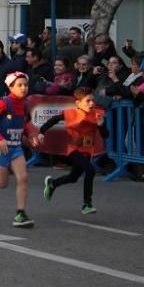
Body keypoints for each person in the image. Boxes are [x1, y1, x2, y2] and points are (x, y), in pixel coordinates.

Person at [0, 72, 38, 227]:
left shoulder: (25, 104)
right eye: (19, 85)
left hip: (16, 147)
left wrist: (31, 135)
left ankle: (20, 213)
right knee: (2, 184)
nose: (24, 88)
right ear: (11, 87)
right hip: (1, 147)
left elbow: (25, 124)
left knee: (23, 177)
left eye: (25, 85)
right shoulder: (5, 103)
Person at [41, 87, 108, 215]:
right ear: (78, 103)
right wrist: (42, 132)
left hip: (87, 150)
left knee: (73, 177)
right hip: (73, 149)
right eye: (88, 101)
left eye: (93, 100)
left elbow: (105, 135)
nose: (92, 104)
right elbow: (54, 119)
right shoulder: (72, 113)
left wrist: (101, 125)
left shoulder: (97, 114)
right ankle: (87, 204)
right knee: (90, 170)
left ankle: (52, 183)